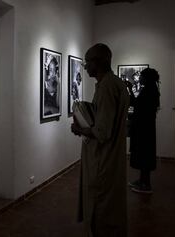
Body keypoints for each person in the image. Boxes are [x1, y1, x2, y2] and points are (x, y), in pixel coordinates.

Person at [71, 43, 129, 237]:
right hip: (111, 160)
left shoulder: (106, 87)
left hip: (102, 160)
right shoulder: (115, 83)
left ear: (98, 62)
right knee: (111, 208)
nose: (86, 67)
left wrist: (79, 128)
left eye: (88, 62)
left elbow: (102, 132)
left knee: (100, 208)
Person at [128, 68, 160, 194]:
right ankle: (142, 181)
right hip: (145, 128)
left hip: (144, 130)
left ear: (147, 78)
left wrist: (130, 89)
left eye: (141, 76)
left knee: (144, 155)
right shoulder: (151, 89)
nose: (139, 78)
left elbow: (136, 104)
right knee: (143, 155)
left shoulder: (150, 91)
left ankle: (146, 184)